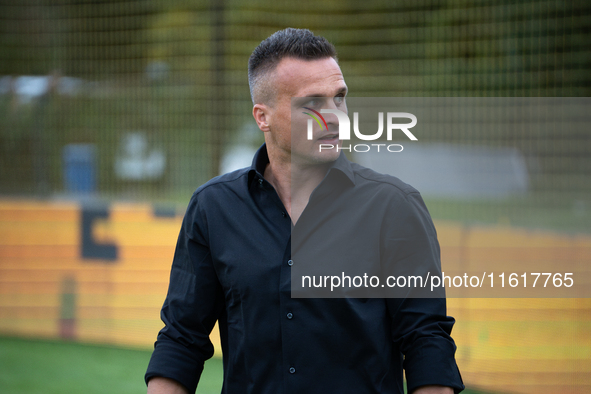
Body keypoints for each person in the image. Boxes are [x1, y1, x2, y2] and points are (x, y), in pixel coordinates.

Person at [145, 28, 464, 394]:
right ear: (262, 117)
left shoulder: (394, 205)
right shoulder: (213, 207)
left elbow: (427, 343)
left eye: (339, 98)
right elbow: (181, 339)